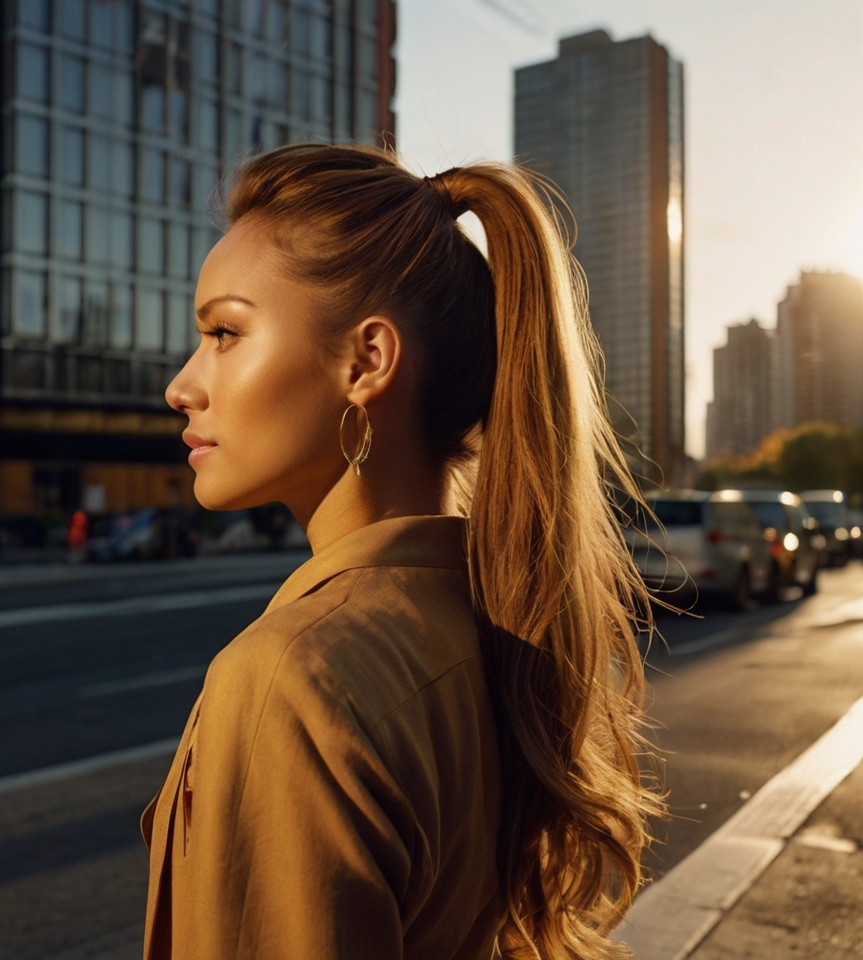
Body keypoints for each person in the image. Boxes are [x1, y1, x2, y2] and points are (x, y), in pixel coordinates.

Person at [143, 143, 663, 960]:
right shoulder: (490, 625)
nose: (183, 384)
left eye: (224, 333)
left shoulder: (289, 680)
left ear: (368, 361)